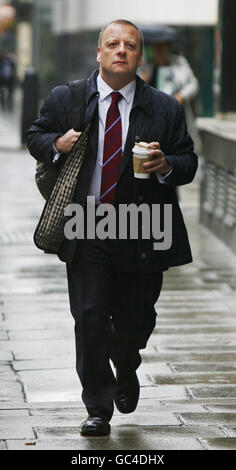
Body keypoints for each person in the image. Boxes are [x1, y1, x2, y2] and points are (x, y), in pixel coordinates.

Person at [26, 19, 198, 437]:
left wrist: (166, 166)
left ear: (139, 57)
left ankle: (127, 361)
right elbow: (36, 134)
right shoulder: (67, 99)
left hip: (142, 228)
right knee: (88, 317)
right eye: (113, 44)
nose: (121, 51)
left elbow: (188, 163)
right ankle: (98, 406)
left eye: (130, 46)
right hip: (86, 224)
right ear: (99, 53)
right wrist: (55, 145)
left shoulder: (165, 108)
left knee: (136, 318)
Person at [140, 25, 201, 154]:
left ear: (167, 46)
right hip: (155, 119)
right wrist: (142, 81)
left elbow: (193, 85)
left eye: (162, 46)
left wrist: (181, 96)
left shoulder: (179, 62)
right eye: (155, 46)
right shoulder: (148, 66)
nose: (158, 50)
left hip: (176, 116)